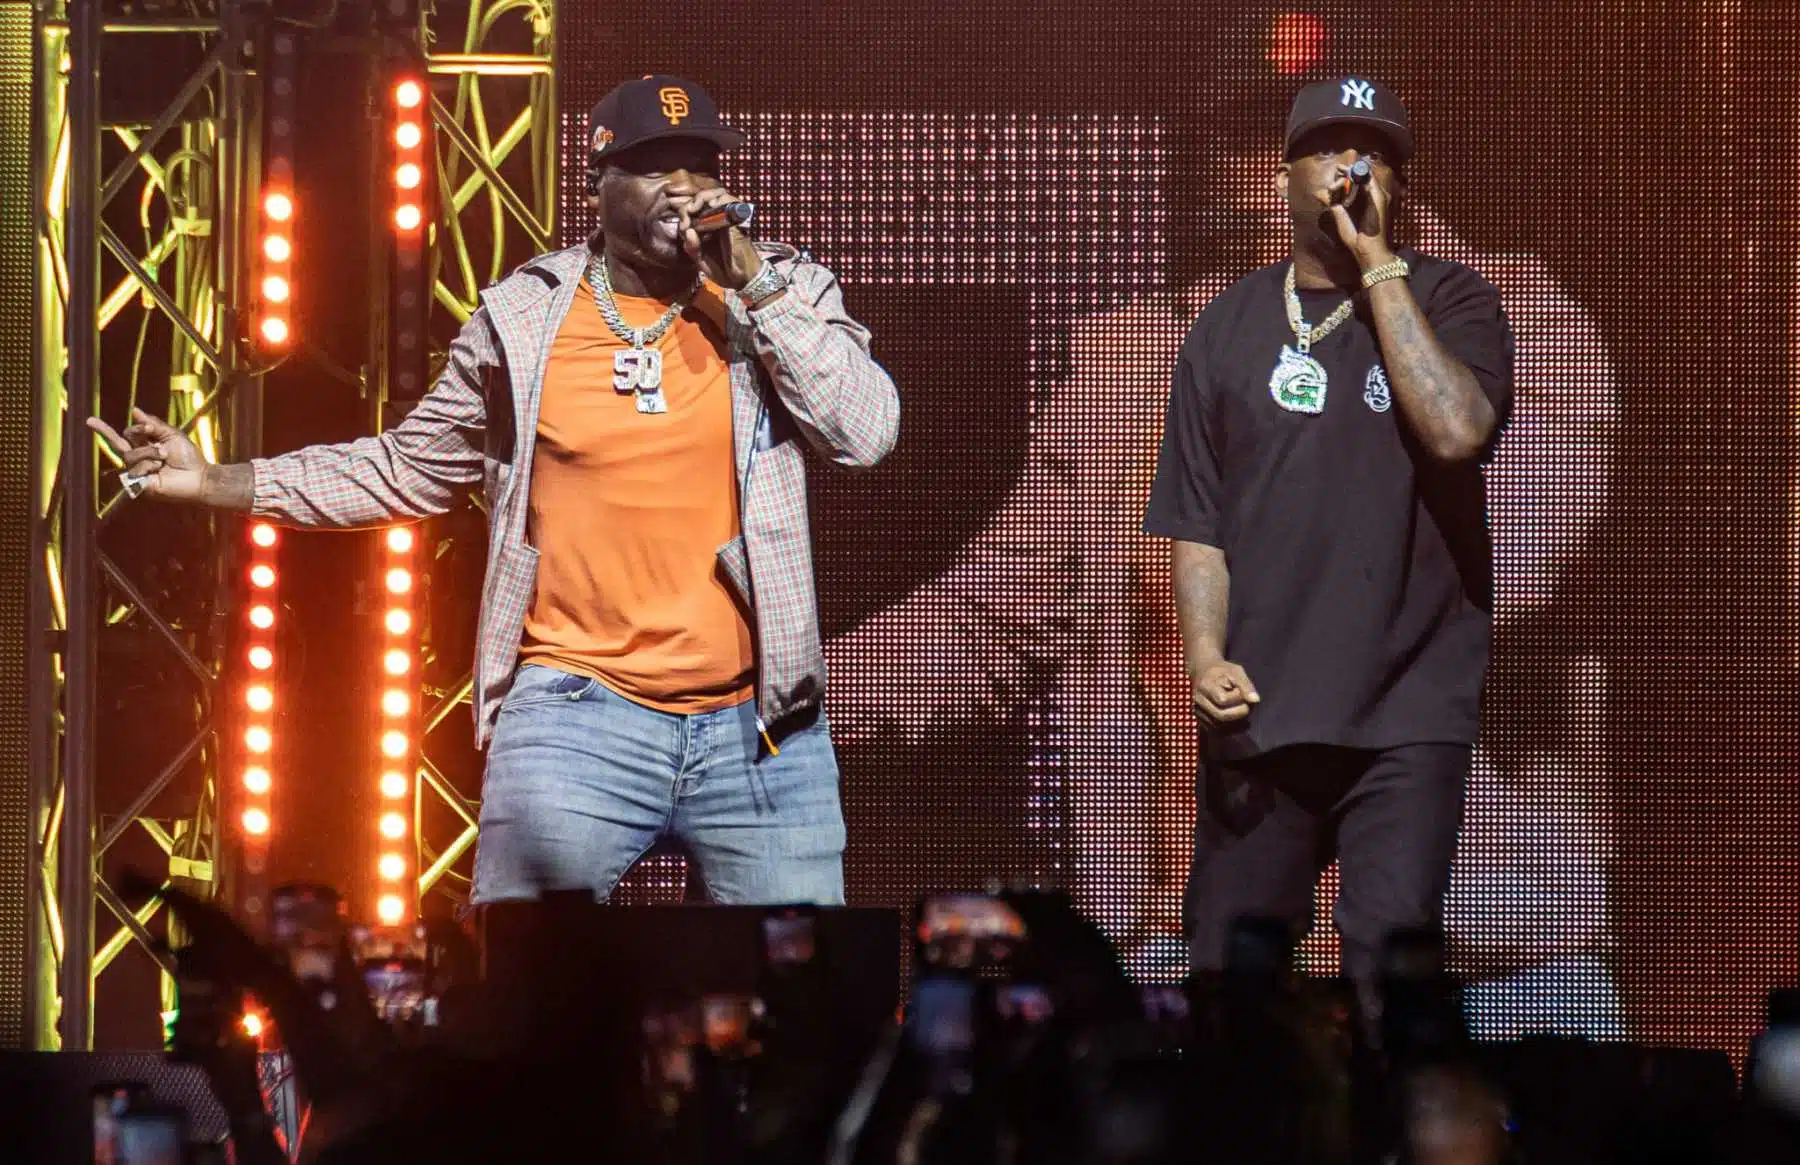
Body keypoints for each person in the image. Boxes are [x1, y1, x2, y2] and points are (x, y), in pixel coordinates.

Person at [91, 75, 900, 907]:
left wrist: (757, 286)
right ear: (600, 182)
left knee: (804, 979)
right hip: (575, 718)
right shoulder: (523, 320)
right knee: (522, 971)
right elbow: (401, 467)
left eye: (700, 164)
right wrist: (216, 479)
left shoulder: (782, 291)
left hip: (761, 728)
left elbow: (865, 432)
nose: (686, 188)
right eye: (658, 166)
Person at [1141, 75, 1513, 1011]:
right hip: (1265, 710)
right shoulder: (1224, 325)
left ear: (1402, 184)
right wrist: (1203, 655)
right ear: (1283, 179)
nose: (1354, 167)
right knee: (1231, 979)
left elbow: (1456, 430)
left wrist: (1379, 265)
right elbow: (1194, 520)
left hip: (1407, 710)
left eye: (1377, 153)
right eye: (1330, 149)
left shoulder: (1457, 300)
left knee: (1391, 974)